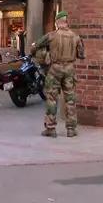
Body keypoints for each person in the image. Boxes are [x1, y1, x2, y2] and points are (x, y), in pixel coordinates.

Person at [30, 10, 85, 138]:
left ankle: (51, 128)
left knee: (51, 98)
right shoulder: (76, 37)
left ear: (57, 22)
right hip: (70, 69)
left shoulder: (51, 35)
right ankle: (71, 129)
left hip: (54, 69)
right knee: (70, 100)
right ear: (67, 22)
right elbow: (81, 54)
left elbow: (35, 46)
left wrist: (41, 54)